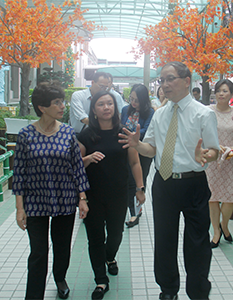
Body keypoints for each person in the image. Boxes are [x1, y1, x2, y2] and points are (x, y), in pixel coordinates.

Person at [119, 61, 220, 300]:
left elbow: (214, 150)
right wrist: (137, 144)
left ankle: (197, 291)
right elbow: (151, 149)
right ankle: (168, 289)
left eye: (170, 78)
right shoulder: (160, 114)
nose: (164, 84)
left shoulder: (204, 113)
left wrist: (206, 155)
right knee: (164, 239)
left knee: (197, 242)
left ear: (187, 81)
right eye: (161, 80)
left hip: (194, 183)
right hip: (164, 183)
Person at [12, 84, 89, 300]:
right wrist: (20, 209)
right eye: (57, 103)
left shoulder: (67, 132)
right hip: (35, 202)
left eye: (62, 101)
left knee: (62, 247)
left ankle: (60, 277)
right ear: (42, 107)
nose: (62, 106)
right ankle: (34, 295)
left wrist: (82, 198)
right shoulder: (26, 135)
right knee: (38, 252)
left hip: (65, 199)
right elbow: (18, 174)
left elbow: (77, 168)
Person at [78, 91, 146, 299]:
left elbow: (134, 162)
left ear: (115, 108)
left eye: (110, 103)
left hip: (118, 194)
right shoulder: (85, 135)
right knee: (95, 238)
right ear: (94, 110)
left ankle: (109, 257)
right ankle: (101, 280)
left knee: (116, 234)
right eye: (101, 104)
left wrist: (140, 188)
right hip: (93, 194)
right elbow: (77, 166)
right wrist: (88, 158)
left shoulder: (123, 132)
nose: (106, 107)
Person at [205, 79, 233, 248]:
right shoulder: (207, 111)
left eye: (225, 91)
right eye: (218, 91)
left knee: (229, 198)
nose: (221, 94)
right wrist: (215, 146)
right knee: (212, 198)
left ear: (231, 94)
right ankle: (216, 232)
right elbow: (202, 131)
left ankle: (225, 226)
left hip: (229, 162)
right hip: (212, 160)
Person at [122, 84, 155, 228]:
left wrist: (132, 134)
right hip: (128, 149)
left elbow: (147, 130)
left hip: (144, 151)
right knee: (130, 179)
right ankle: (133, 212)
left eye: (137, 100)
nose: (133, 103)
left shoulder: (150, 112)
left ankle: (138, 206)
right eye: (131, 99)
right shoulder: (125, 110)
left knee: (141, 180)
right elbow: (120, 126)